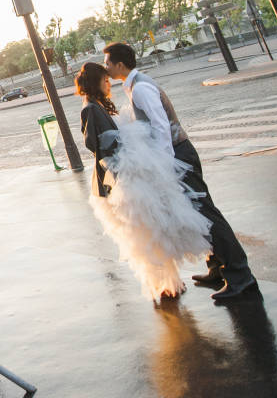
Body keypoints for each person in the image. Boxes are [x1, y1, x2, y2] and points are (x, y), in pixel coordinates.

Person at [102, 42, 259, 301]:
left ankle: (241, 276)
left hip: (178, 154)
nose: (105, 67)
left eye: (107, 63)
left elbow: (161, 127)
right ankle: (217, 268)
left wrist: (165, 164)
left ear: (120, 64)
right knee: (197, 212)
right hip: (177, 154)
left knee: (207, 214)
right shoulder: (135, 85)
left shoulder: (140, 88)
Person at [76, 62, 211, 302]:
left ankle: (168, 282)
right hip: (121, 176)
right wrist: (125, 143)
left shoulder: (95, 105)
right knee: (144, 233)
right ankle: (162, 283)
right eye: (105, 80)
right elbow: (94, 143)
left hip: (126, 172)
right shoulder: (90, 108)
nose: (108, 84)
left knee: (152, 230)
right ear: (95, 82)